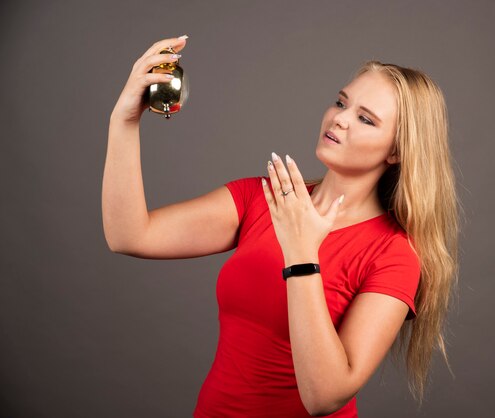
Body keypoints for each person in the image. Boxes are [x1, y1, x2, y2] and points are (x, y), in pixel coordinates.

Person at [102, 35, 459, 418]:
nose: (339, 118)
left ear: (396, 151)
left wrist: (302, 252)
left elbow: (324, 397)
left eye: (365, 118)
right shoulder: (262, 197)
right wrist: (124, 120)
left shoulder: (393, 254)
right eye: (341, 102)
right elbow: (129, 235)